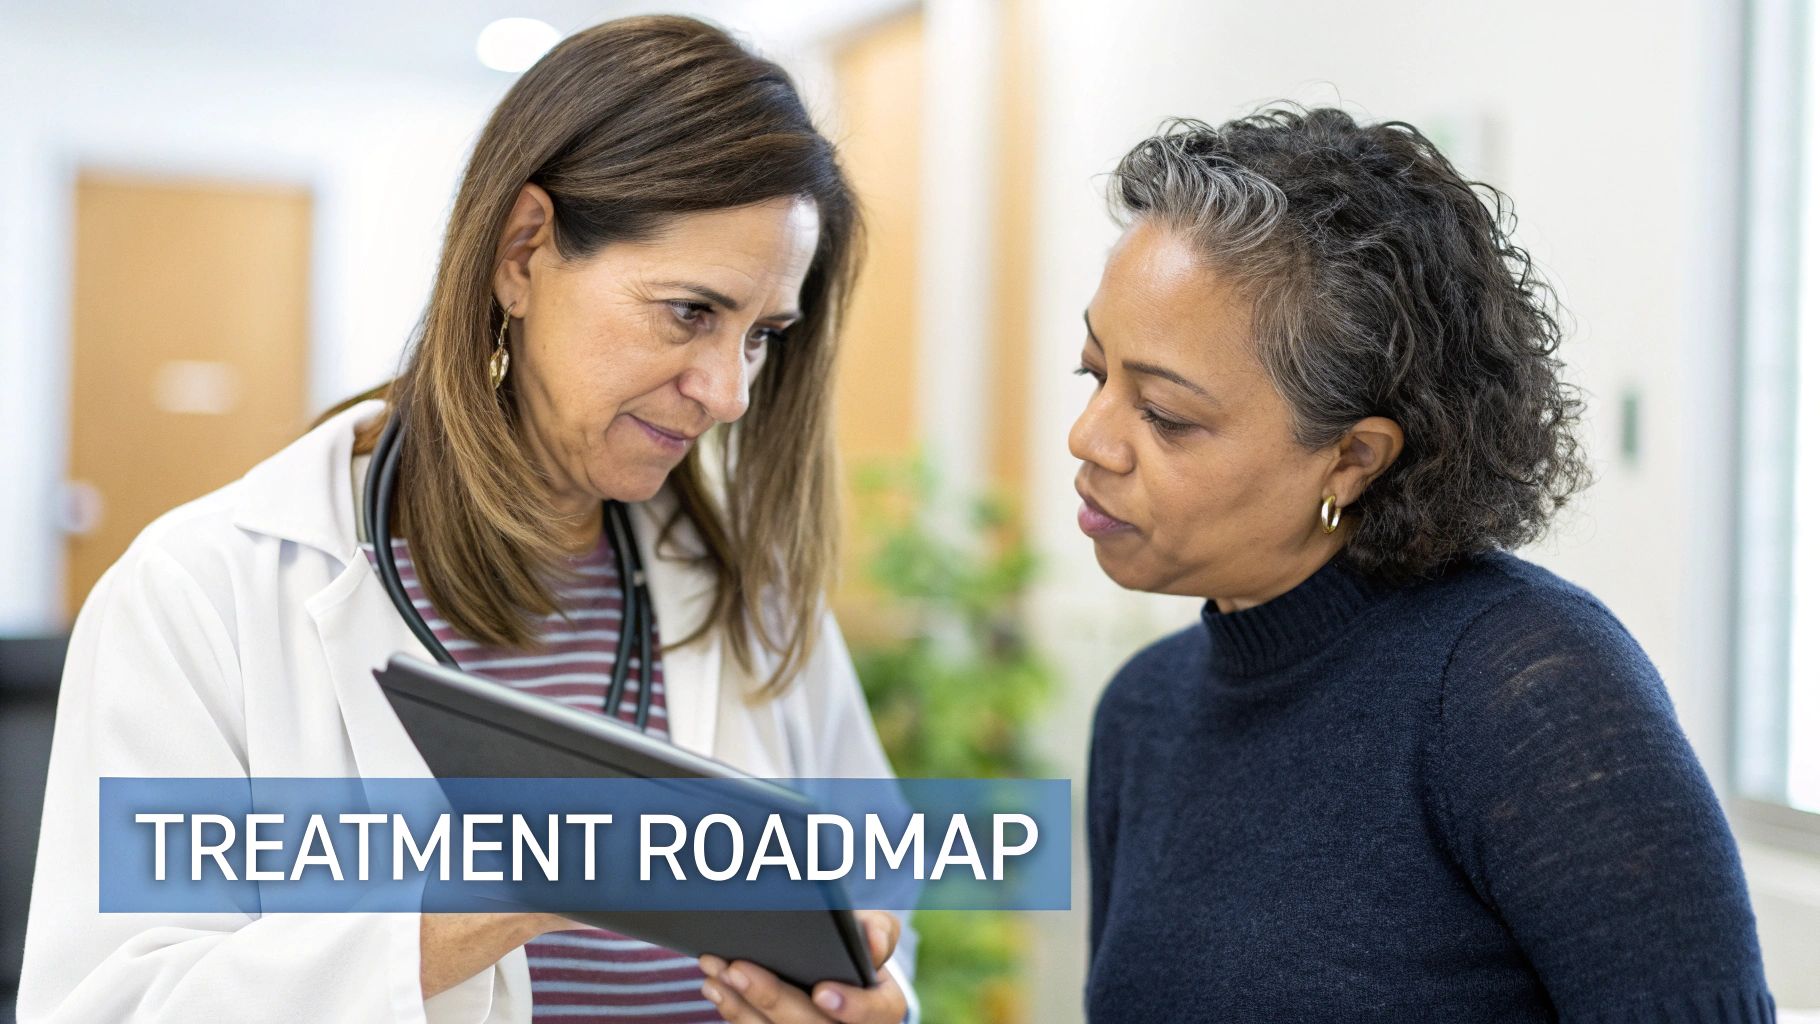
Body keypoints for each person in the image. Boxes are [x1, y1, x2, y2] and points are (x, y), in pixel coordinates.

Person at [20, 16, 915, 1024]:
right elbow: (109, 1004)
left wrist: (868, 997)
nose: (726, 393)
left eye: (762, 337)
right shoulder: (206, 589)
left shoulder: (748, 597)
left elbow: (877, 900)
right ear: (522, 252)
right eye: (688, 312)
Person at [1074, 108, 1773, 1021]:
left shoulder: (1527, 692)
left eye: (1164, 415)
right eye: (1094, 376)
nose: (1089, 438)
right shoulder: (1144, 713)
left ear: (1353, 459)